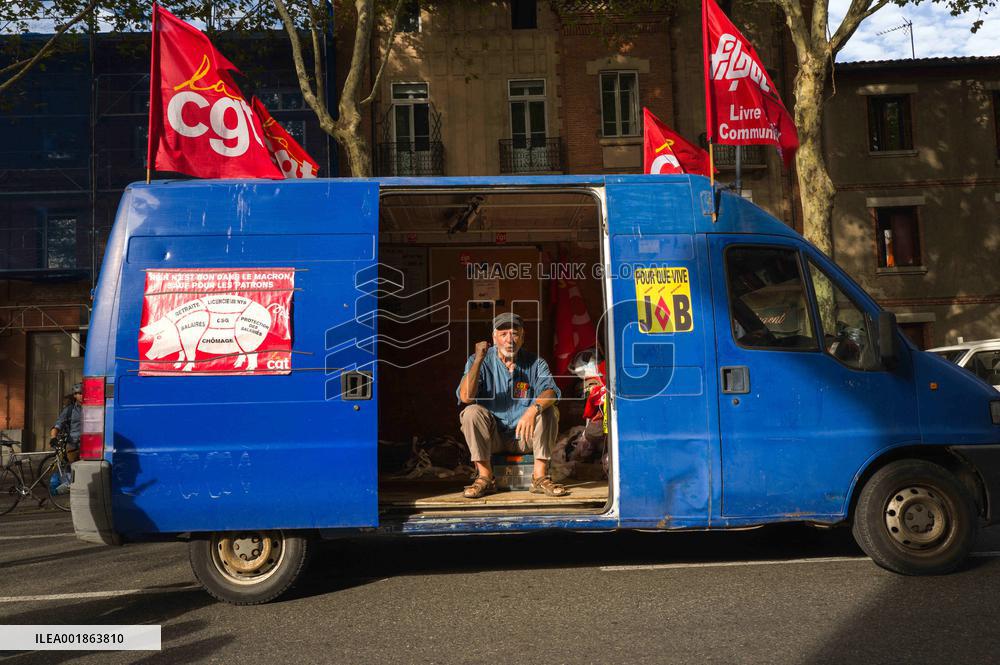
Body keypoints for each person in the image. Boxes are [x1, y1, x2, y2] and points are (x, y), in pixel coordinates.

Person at [457, 313, 567, 499]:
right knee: (471, 412)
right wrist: (478, 360)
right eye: (503, 334)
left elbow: (552, 392)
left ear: (523, 337)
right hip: (493, 439)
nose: (510, 339)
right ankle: (485, 478)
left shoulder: (535, 363)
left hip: (525, 437)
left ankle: (539, 478)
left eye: (515, 333)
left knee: (549, 410)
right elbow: (466, 397)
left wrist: (533, 410)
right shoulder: (480, 361)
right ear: (494, 337)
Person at [49, 382, 82, 463]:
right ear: (75, 395)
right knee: (72, 471)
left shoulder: (93, 409)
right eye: (79, 393)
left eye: (84, 393)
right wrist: (53, 437)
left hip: (89, 448)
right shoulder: (69, 410)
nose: (82, 395)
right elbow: (58, 425)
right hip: (73, 447)